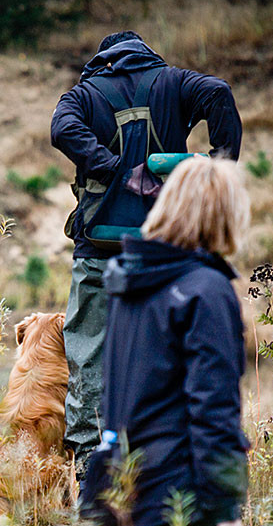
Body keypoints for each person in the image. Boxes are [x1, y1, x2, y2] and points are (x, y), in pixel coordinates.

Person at [82, 157, 250, 526]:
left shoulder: (129, 282)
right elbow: (214, 407)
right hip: (183, 497)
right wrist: (224, 506)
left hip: (126, 487)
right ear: (224, 216)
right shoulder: (207, 291)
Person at [50, 31, 242, 475]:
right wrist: (220, 167)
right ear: (146, 55)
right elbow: (219, 92)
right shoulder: (173, 82)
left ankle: (89, 472)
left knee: (88, 357)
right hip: (165, 250)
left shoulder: (85, 93)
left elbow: (62, 129)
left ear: (103, 60)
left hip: (98, 249)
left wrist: (110, 167)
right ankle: (158, 467)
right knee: (165, 357)